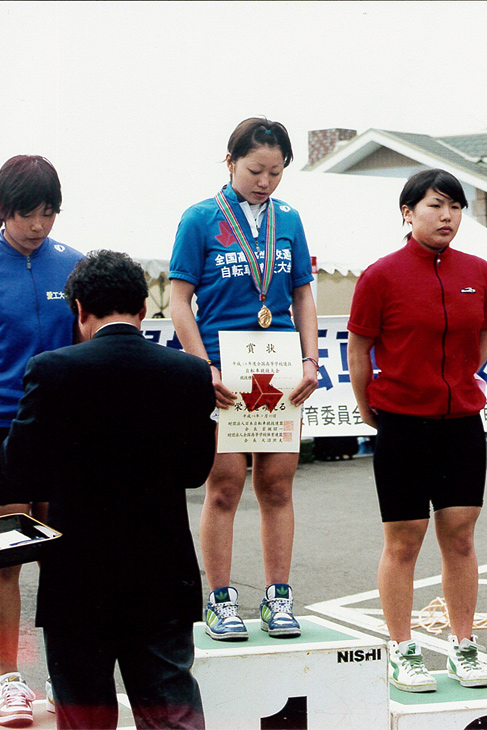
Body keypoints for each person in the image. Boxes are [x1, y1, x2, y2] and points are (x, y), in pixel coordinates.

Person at [1, 251, 216, 730]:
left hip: (78, 578)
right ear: (143, 309)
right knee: (171, 713)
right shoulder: (190, 373)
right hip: (163, 573)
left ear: (78, 309)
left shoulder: (51, 371)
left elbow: (18, 469)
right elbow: (195, 470)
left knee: (85, 715)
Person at [169, 117, 318, 641]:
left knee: (277, 484)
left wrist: (310, 359)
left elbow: (302, 294)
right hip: (223, 370)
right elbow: (178, 299)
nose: (265, 181)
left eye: (276, 172)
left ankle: (279, 596)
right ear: (230, 162)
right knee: (225, 486)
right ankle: (220, 599)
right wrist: (199, 364)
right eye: (256, 169)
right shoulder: (201, 218)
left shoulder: (290, 219)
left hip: (278, 364)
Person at [347, 168, 487, 693]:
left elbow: (482, 339)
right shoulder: (380, 276)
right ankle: (403, 650)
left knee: (462, 537)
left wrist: (459, 377)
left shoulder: (479, 270)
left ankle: (463, 646)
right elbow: (360, 351)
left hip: (462, 425)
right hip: (403, 425)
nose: (447, 215)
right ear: (407, 213)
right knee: (404, 541)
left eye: (455, 206)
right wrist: (368, 407)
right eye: (435, 205)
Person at [0, 155, 83, 727]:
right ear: (5, 210)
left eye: (48, 213)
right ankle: (9, 678)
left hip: (63, 433)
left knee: (64, 556)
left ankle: (65, 673)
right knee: (6, 560)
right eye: (27, 213)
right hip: (4, 432)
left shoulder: (74, 268)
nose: (38, 225)